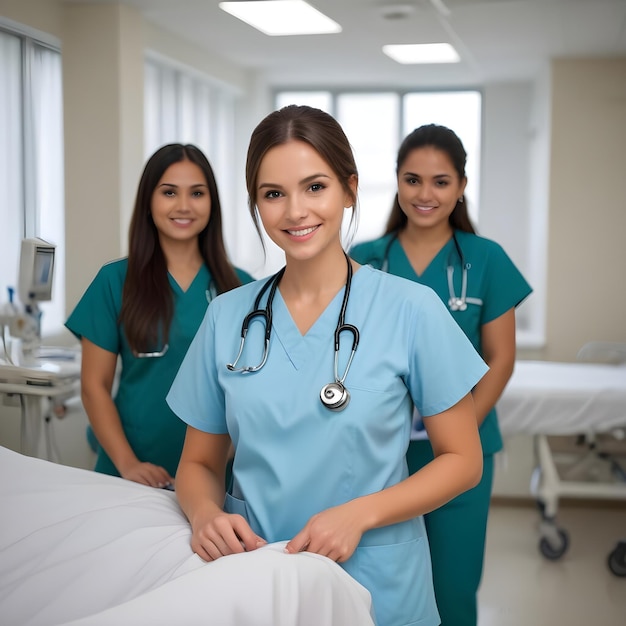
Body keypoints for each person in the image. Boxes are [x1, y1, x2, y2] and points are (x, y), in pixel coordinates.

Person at [166, 106, 488, 626]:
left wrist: (359, 515)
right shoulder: (226, 317)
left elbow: (463, 459)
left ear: (350, 189)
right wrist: (205, 514)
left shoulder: (412, 308)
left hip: (377, 584)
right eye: (273, 194)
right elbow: (199, 463)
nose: (295, 211)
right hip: (258, 577)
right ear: (256, 204)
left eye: (314, 187)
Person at [350, 123, 532, 626]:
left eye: (440, 181)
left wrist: (459, 429)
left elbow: (501, 357)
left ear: (461, 187)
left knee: (452, 587)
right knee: (372, 586)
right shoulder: (365, 259)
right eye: (412, 180)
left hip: (463, 450)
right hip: (377, 451)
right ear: (396, 182)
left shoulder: (486, 259)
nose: (425, 194)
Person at [66, 143, 253, 488]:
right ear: (148, 202)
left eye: (197, 193)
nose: (184, 205)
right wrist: (129, 465)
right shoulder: (115, 281)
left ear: (212, 203)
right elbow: (95, 387)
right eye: (169, 192)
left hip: (216, 476)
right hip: (132, 473)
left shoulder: (241, 287)